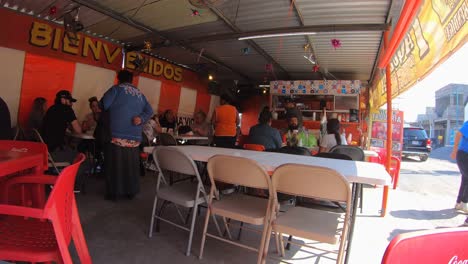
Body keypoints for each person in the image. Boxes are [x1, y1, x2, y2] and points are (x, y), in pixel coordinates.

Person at [101, 70, 153, 201]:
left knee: (115, 164)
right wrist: (141, 118)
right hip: (134, 135)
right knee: (131, 164)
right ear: (132, 80)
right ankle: (131, 191)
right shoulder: (140, 94)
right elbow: (150, 111)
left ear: (118, 79)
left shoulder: (116, 89)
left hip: (117, 134)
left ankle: (115, 193)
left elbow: (104, 104)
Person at [451, 120, 468, 214]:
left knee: (465, 179)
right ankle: (464, 202)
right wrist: (454, 150)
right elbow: (458, 134)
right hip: (463, 155)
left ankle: (459, 203)